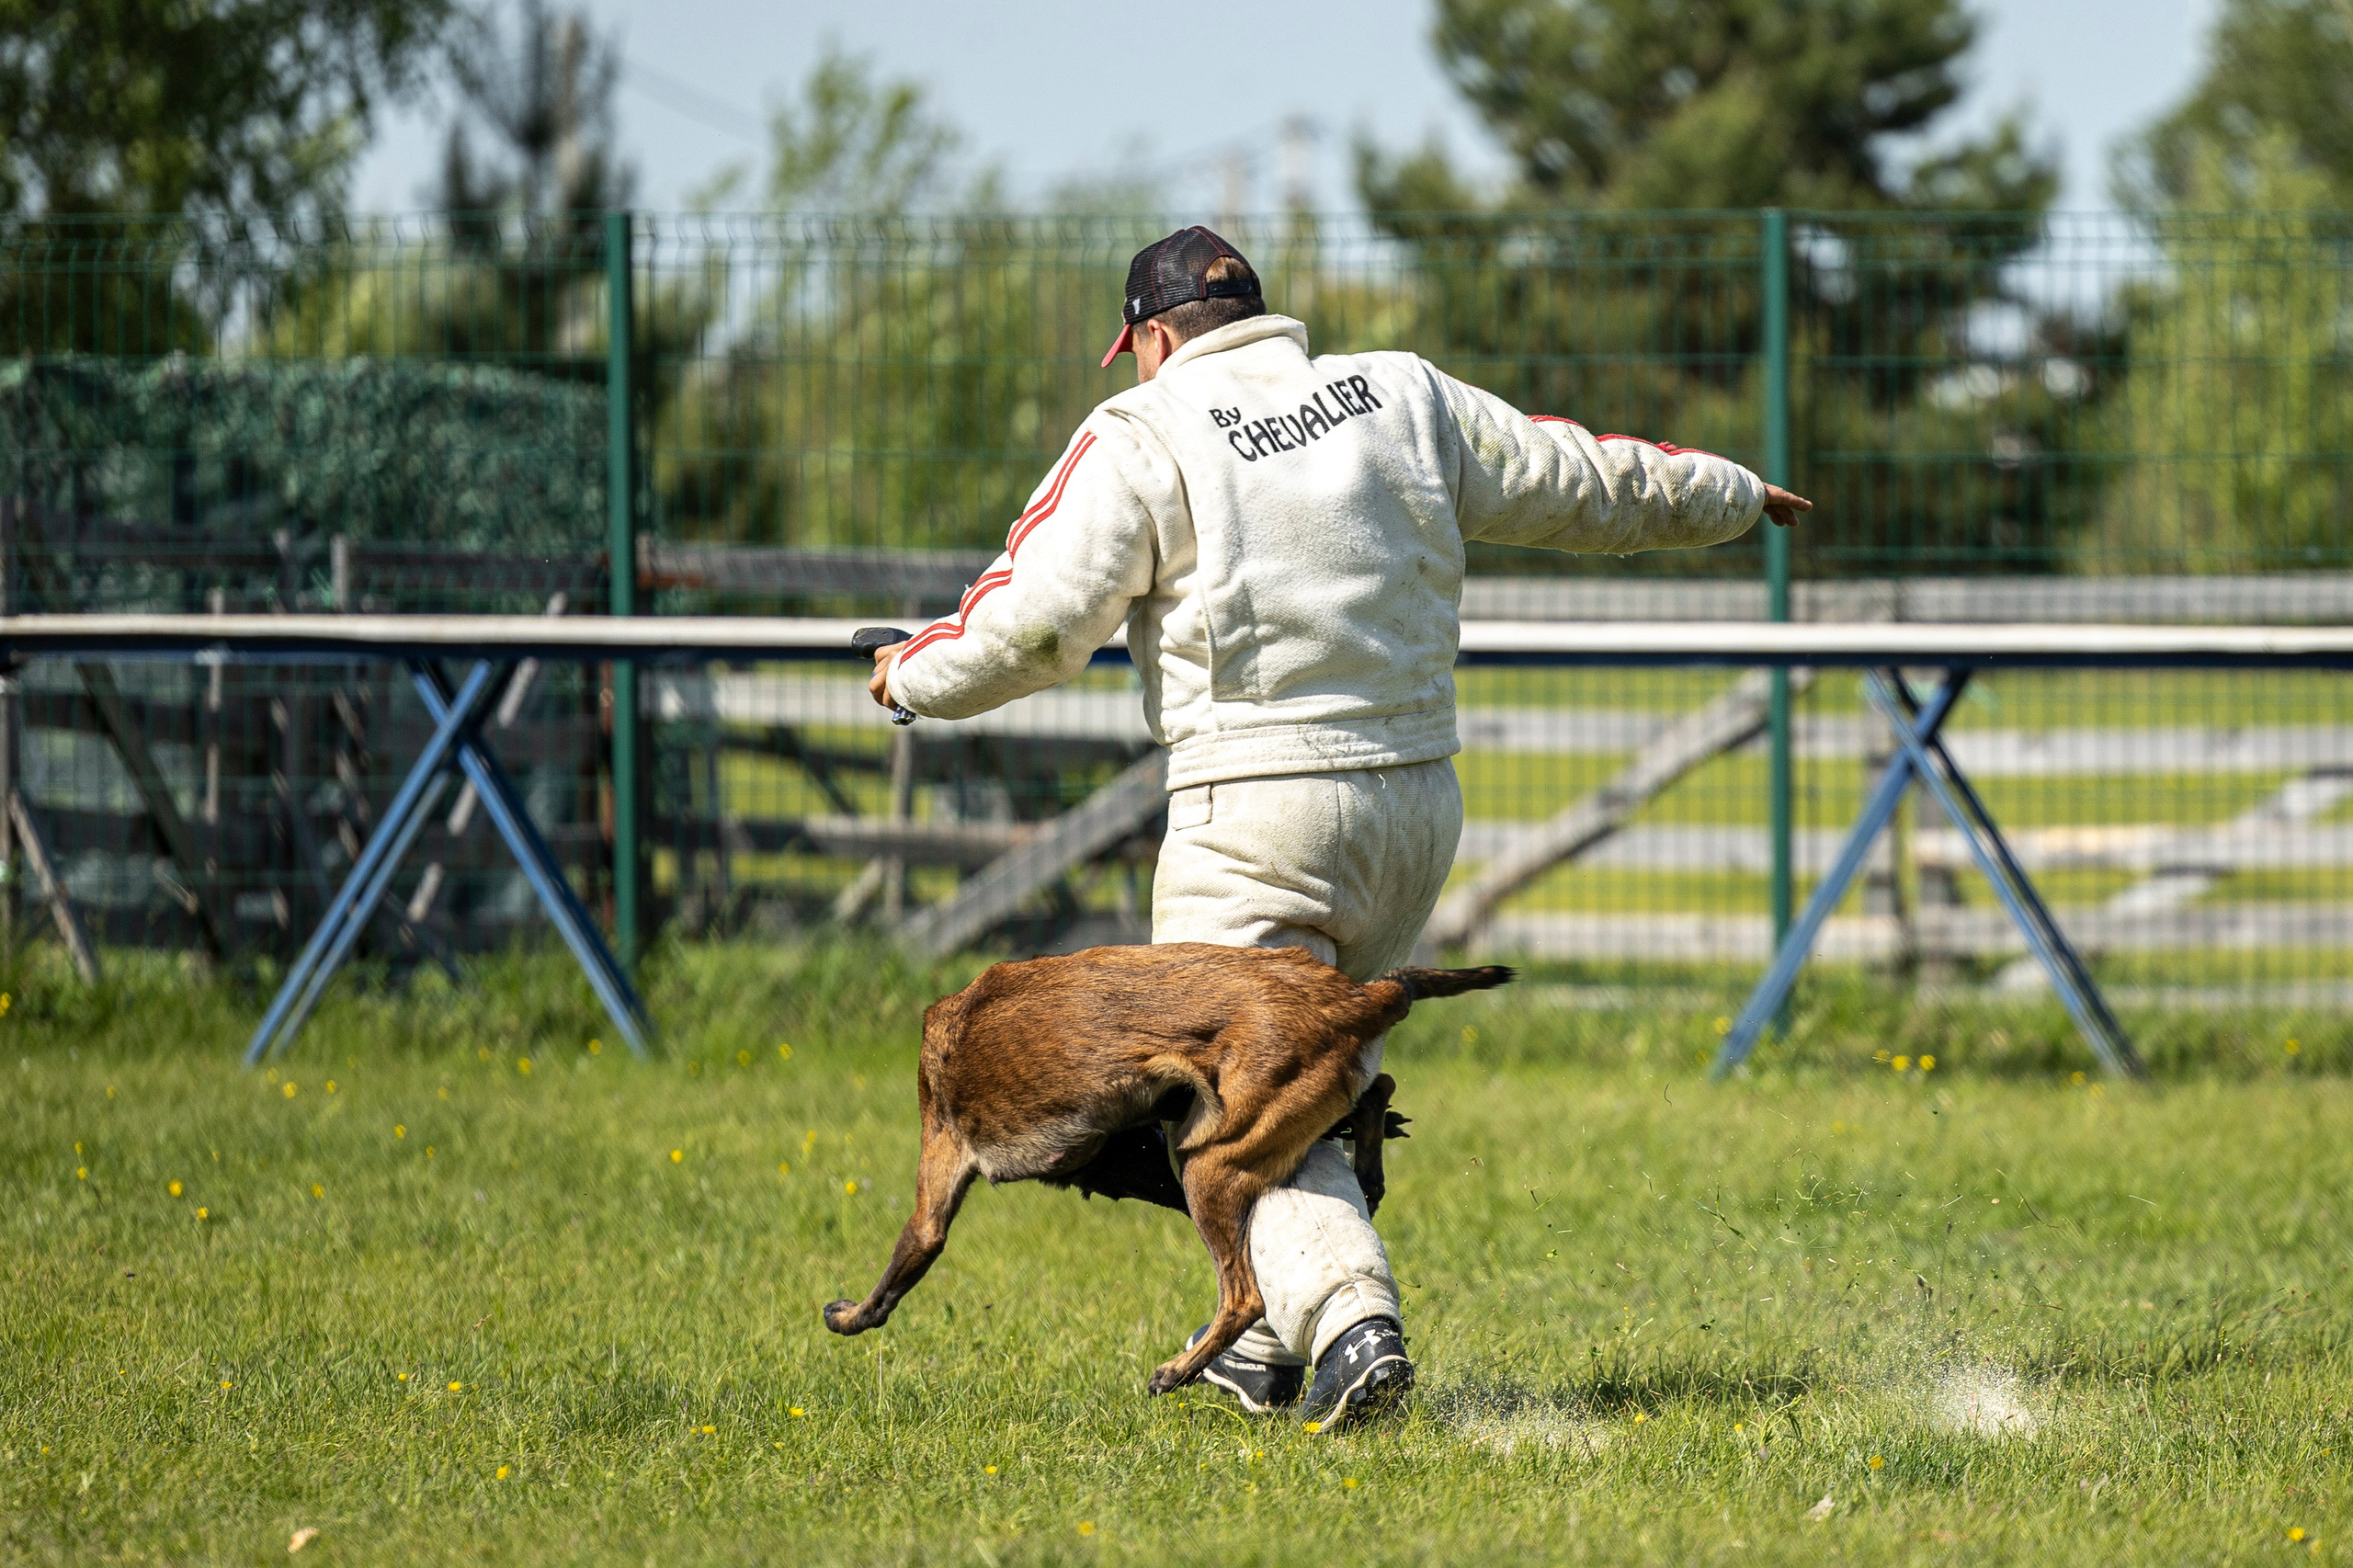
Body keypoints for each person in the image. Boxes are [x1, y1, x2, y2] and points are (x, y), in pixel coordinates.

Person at [867, 226, 1809, 1430]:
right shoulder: (1401, 393)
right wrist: (1733, 492)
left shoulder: (1143, 430)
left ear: (1149, 337)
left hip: (1256, 810)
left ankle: (1354, 1325)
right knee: (1306, 1075)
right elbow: (1579, 475)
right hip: (1415, 804)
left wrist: (909, 676)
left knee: (1228, 1098)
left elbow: (1035, 621)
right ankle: (1264, 1348)